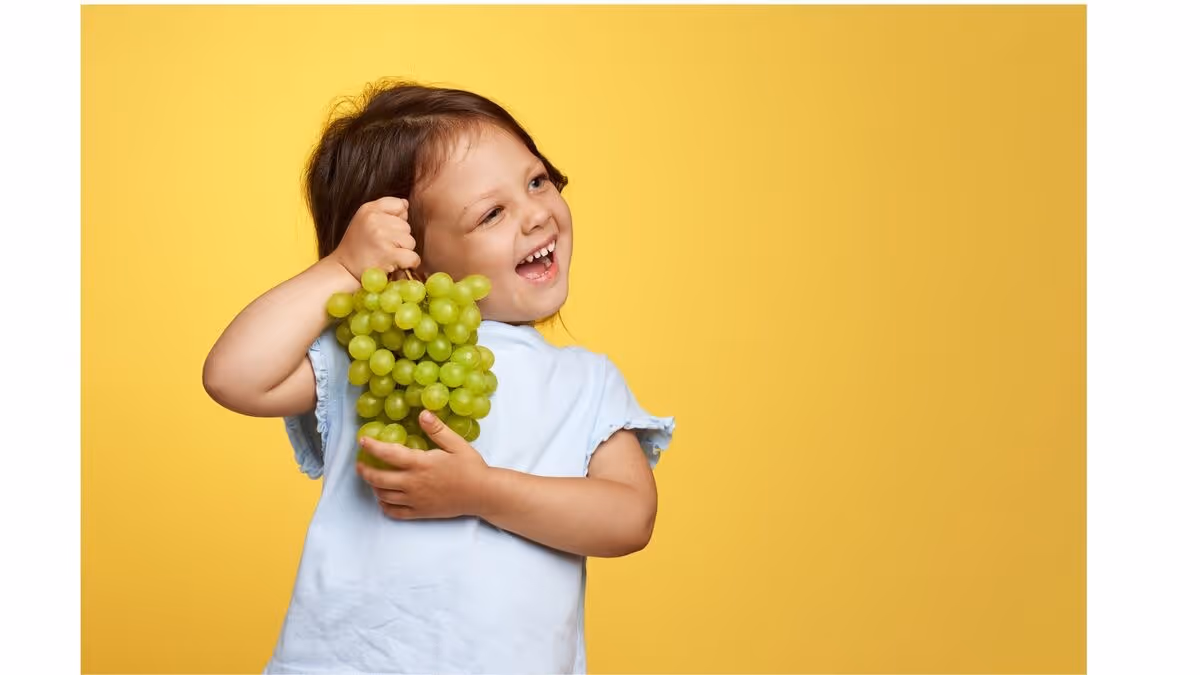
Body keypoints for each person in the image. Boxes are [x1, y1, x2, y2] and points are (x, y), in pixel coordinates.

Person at [202, 79, 675, 674]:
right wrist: (343, 268)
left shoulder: (587, 381)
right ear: (410, 255)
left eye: (537, 181)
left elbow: (629, 518)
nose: (535, 215)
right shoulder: (375, 356)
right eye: (492, 213)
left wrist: (480, 492)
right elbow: (233, 377)